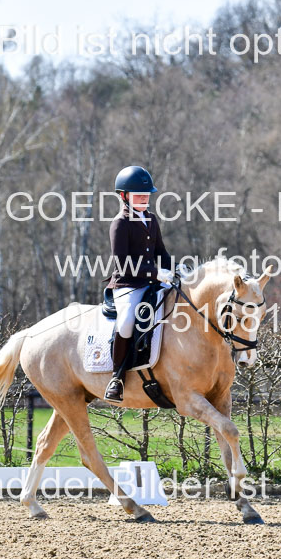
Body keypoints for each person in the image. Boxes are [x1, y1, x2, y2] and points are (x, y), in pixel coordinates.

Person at [103, 165, 175, 402]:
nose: (144, 198)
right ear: (124, 196)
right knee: (125, 323)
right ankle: (117, 377)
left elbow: (161, 251)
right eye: (139, 195)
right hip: (128, 286)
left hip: (153, 282)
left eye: (146, 195)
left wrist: (173, 270)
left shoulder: (151, 219)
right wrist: (157, 273)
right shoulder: (120, 224)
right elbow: (123, 263)